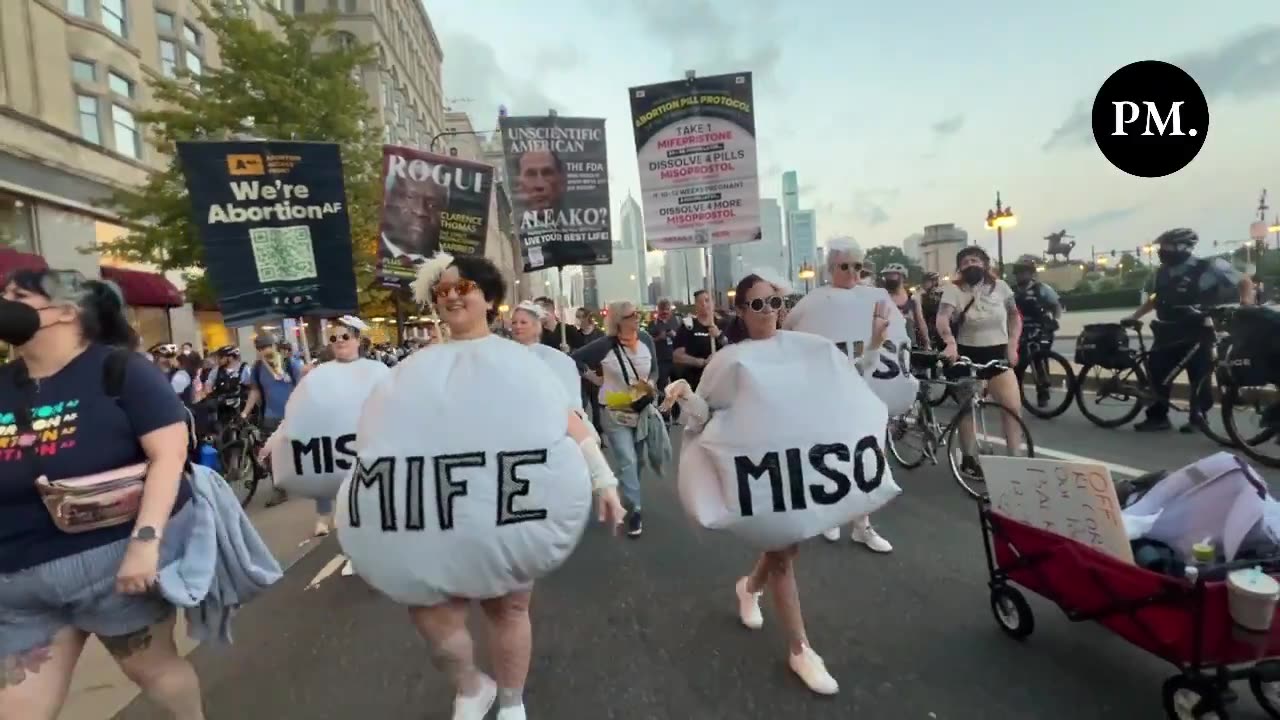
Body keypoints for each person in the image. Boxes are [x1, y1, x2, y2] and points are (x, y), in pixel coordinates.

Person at [339, 252, 625, 720]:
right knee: (428, 610)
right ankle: (471, 684)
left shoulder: (522, 363)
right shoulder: (415, 368)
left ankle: (512, 700)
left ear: (489, 297)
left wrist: (602, 478)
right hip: (438, 506)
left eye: (463, 286)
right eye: (442, 290)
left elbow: (566, 420)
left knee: (508, 607)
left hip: (504, 502)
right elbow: (384, 436)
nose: (452, 296)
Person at [664, 273, 899, 696]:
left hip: (799, 471)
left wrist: (875, 345)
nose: (769, 311)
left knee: (786, 547)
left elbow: (846, 385)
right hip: (763, 477)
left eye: (776, 301)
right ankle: (800, 648)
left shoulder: (809, 348)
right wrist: (684, 393)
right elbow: (703, 417)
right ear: (739, 311)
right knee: (783, 552)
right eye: (758, 304)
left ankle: (749, 586)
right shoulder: (729, 359)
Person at [0, 269, 206, 720]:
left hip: (112, 572)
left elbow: (168, 456)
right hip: (18, 583)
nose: (5, 302)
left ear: (65, 313)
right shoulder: (3, 383)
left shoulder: (120, 371)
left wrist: (145, 545)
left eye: (18, 296)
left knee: (155, 673)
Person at [784, 241, 893, 552]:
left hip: (860, 389)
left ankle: (863, 525)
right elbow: (788, 331)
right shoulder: (812, 302)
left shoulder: (872, 300)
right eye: (845, 266)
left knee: (866, 458)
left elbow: (879, 346)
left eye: (858, 266)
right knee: (829, 456)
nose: (852, 272)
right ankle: (831, 515)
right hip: (823, 392)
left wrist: (880, 338)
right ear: (831, 269)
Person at [1128, 228, 1254, 433]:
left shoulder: (1209, 266)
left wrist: (1246, 303)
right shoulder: (1162, 271)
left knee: (1199, 373)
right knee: (1158, 372)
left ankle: (1198, 416)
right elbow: (1156, 298)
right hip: (1165, 329)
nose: (1163, 251)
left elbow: (1244, 280)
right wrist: (1135, 316)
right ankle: (1158, 417)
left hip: (1196, 329)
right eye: (1162, 247)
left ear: (1184, 247)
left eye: (1168, 247)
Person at [571, 300, 669, 538]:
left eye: (637, 313)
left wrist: (651, 385)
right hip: (614, 410)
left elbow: (654, 369)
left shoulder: (645, 339)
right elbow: (574, 358)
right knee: (627, 459)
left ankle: (629, 494)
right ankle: (634, 510)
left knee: (638, 460)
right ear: (618, 321)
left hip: (641, 409)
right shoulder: (604, 345)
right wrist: (593, 378)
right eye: (630, 315)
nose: (636, 317)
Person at [935, 245, 1025, 478]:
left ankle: (1015, 457)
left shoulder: (1001, 288)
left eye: (974, 260)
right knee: (968, 408)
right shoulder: (953, 290)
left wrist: (1013, 345)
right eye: (964, 263)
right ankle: (969, 457)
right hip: (966, 355)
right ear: (959, 268)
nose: (970, 265)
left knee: (1012, 407)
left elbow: (1015, 316)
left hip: (997, 353)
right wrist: (950, 343)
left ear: (985, 264)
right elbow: (942, 318)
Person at [241, 333, 301, 507]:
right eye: (260, 348)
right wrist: (245, 412)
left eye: (267, 346)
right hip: (270, 416)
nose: (264, 351)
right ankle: (280, 489)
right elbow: (255, 391)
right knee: (271, 453)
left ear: (275, 346)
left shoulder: (290, 364)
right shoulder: (258, 368)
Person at [1010, 256, 1063, 408]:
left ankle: (1043, 393)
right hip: (1020, 330)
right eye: (1019, 272)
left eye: (1024, 272)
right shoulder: (1012, 293)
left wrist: (1055, 319)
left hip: (1040, 329)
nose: (1021, 275)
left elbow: (1056, 306)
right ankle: (1015, 393)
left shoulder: (1042, 289)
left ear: (1031, 274)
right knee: (1016, 364)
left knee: (1040, 360)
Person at [381, 172, 448, 264]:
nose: (420, 211)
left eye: (433, 205)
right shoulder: (366, 245)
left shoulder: (449, 264)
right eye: (410, 197)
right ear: (388, 198)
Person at [673, 290, 726, 392]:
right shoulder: (688, 326)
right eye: (700, 302)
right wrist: (702, 362)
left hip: (720, 383)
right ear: (696, 305)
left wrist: (719, 336)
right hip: (695, 383)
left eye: (707, 300)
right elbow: (677, 356)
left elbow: (733, 348)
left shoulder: (724, 324)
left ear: (713, 303)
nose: (704, 304)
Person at [881, 263, 930, 349]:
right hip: (887, 346)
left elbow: (920, 323)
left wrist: (927, 343)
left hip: (908, 346)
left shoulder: (912, 300)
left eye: (893, 276)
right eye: (887, 276)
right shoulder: (881, 299)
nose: (889, 279)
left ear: (902, 277)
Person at [647, 299, 682, 420]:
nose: (665, 313)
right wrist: (659, 337)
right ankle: (664, 414)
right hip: (661, 359)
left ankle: (676, 412)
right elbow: (649, 341)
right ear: (659, 310)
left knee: (676, 387)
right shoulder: (653, 324)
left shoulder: (676, 322)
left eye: (667, 310)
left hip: (675, 360)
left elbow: (682, 339)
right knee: (662, 388)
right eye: (663, 310)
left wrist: (675, 335)